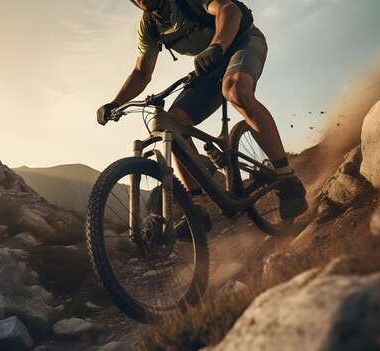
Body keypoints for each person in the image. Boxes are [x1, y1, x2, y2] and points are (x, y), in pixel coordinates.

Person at [97, 0, 307, 224]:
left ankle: (288, 180)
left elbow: (230, 10)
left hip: (242, 41)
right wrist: (114, 103)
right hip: (210, 63)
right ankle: (197, 206)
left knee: (235, 91)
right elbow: (141, 73)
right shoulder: (149, 26)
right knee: (173, 122)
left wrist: (216, 46)